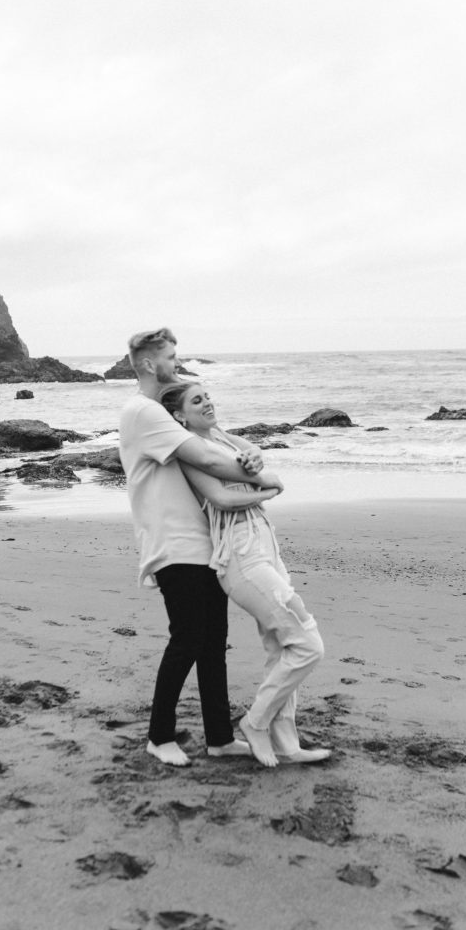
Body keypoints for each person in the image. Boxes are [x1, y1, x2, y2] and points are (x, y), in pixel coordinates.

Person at [118, 327, 284, 767]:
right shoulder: (142, 412)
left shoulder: (159, 416)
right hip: (173, 545)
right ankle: (159, 736)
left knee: (213, 643)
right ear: (151, 364)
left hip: (202, 543)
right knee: (188, 638)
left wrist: (250, 457)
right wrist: (264, 478)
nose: (177, 362)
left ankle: (218, 737)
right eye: (171, 356)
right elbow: (210, 459)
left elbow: (215, 453)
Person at [159, 380, 330, 767]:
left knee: (279, 645)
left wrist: (253, 457)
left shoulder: (219, 436)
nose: (207, 403)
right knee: (306, 643)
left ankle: (287, 742)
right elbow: (220, 498)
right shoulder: (189, 451)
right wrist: (265, 490)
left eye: (208, 396)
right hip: (239, 553)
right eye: (197, 400)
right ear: (179, 415)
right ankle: (256, 722)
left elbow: (249, 452)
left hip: (265, 544)